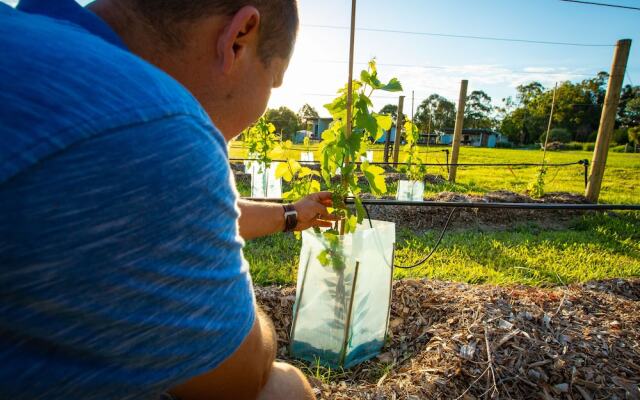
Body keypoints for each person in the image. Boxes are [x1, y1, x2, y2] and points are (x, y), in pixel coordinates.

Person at [0, 0, 332, 398]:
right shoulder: (156, 123)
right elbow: (238, 376)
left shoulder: (29, 38)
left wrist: (291, 215)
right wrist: (259, 326)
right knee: (283, 387)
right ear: (239, 38)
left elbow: (167, 218)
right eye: (272, 80)